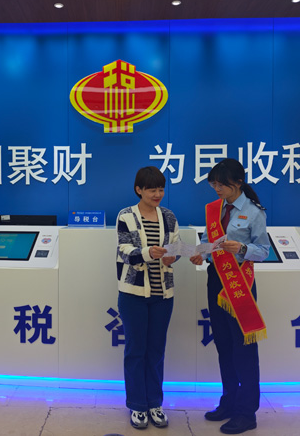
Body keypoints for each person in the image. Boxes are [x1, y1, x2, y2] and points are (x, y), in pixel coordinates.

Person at [189, 158, 270, 435]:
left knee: (243, 349)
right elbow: (207, 241)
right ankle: (229, 402)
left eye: (221, 184)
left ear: (238, 183)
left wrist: (243, 249)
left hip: (239, 285)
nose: (217, 189)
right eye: (214, 184)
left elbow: (264, 251)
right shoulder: (215, 209)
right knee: (223, 345)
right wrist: (200, 254)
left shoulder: (254, 212)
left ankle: (246, 412)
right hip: (216, 281)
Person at [116, 166, 181, 430]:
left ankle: (155, 403)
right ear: (138, 190)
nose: (157, 194)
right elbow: (124, 250)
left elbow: (176, 246)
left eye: (161, 189)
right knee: (136, 351)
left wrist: (172, 256)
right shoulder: (126, 215)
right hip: (133, 294)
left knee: (156, 351)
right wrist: (147, 253)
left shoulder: (169, 216)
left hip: (163, 294)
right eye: (152, 189)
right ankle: (137, 405)